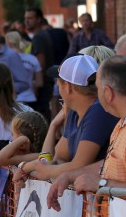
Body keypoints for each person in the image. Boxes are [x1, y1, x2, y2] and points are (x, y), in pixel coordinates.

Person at [47, 57, 126, 207]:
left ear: (107, 93)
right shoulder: (124, 121)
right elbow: (108, 163)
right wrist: (69, 175)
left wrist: (101, 184)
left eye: (97, 88)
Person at [20, 55, 117, 184]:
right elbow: (58, 158)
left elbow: (79, 166)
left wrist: (43, 170)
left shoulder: (98, 110)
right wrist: (29, 168)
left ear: (68, 87)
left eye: (58, 84)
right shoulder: (74, 111)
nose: (58, 89)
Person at [4, 31, 42, 107]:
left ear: (8, 43)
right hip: (30, 98)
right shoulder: (32, 58)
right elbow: (39, 83)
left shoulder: (6, 60)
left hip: (14, 100)